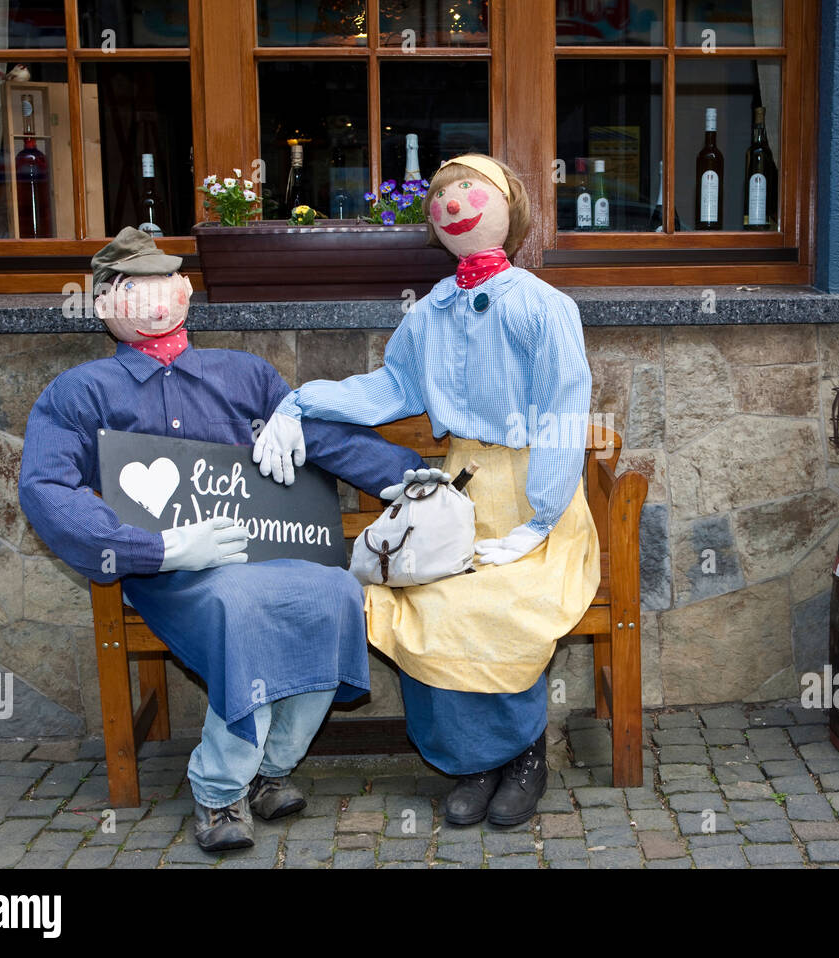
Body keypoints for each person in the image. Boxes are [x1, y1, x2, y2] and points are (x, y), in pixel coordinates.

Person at [18, 227, 424, 852]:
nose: (153, 298)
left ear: (185, 291)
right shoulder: (80, 391)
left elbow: (326, 436)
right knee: (242, 608)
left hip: (266, 550)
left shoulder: (244, 374)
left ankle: (270, 767)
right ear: (104, 305)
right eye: (133, 287)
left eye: (164, 282)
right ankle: (219, 791)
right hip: (171, 575)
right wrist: (156, 549)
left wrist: (408, 479)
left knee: (337, 591)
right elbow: (46, 490)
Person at [255, 155, 600, 826]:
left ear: (508, 207)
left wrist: (541, 519)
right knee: (427, 600)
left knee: (507, 601)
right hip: (463, 488)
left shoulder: (543, 306)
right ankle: (474, 760)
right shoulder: (432, 311)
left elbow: (564, 410)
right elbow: (390, 388)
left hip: (533, 492)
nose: (451, 202)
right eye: (440, 194)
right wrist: (301, 402)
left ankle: (525, 755)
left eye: (468, 190)